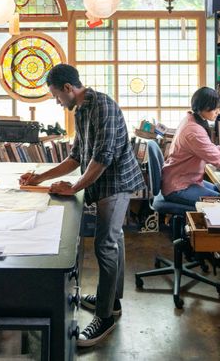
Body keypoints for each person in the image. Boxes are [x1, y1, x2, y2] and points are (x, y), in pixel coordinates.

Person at [19, 64, 144, 348]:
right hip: (101, 182)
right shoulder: (82, 110)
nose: (57, 101)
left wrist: (75, 187)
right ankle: (111, 302)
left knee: (106, 245)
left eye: (56, 96)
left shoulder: (103, 107)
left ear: (68, 88)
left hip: (115, 183)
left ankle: (105, 317)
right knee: (114, 240)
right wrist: (40, 176)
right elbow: (77, 157)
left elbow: (103, 157)